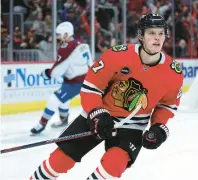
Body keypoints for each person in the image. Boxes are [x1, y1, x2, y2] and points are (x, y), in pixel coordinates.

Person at [30, 13, 184, 179]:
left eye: (161, 33)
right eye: (151, 33)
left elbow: (167, 105)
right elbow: (91, 87)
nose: (157, 38)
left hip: (132, 126)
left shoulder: (173, 72)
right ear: (141, 36)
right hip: (100, 115)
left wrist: (158, 127)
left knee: (113, 166)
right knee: (60, 160)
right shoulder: (117, 55)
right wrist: (97, 113)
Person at [30, 21, 93, 134]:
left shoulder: (66, 48)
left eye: (59, 34)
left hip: (76, 82)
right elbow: (90, 63)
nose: (58, 37)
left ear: (66, 34)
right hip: (81, 80)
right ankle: (64, 121)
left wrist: (47, 73)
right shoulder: (82, 43)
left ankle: (42, 124)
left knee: (54, 99)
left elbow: (56, 70)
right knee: (64, 100)